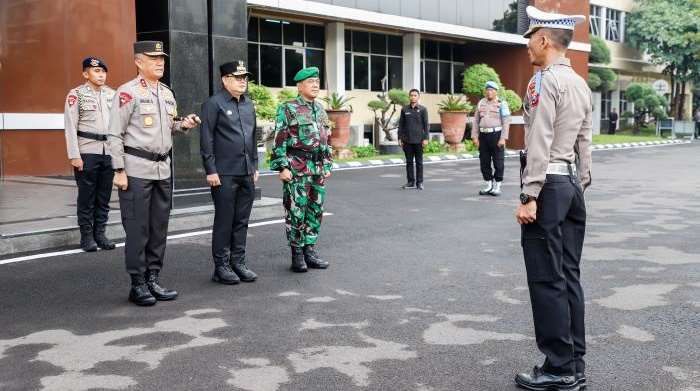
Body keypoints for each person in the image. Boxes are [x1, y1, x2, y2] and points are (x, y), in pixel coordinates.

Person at [514, 6, 592, 391]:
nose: (527, 44)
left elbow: (540, 137)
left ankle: (558, 369)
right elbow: (585, 139)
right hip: (572, 187)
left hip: (547, 186)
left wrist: (530, 194)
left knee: (547, 279)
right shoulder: (579, 83)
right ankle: (574, 363)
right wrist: (582, 180)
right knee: (569, 276)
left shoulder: (542, 82)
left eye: (531, 37)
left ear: (544, 40)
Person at [108, 41, 200, 306]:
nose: (160, 62)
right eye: (153, 58)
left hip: (162, 170)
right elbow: (114, 133)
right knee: (138, 229)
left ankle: (153, 278)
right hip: (136, 170)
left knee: (159, 228)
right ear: (138, 62)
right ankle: (137, 284)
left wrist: (184, 124)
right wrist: (119, 169)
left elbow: (168, 125)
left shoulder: (167, 93)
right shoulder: (128, 93)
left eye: (162, 58)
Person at [200, 60, 259, 285]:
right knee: (225, 220)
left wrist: (253, 165)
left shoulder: (248, 104)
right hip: (223, 173)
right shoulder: (213, 104)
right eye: (238, 77)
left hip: (245, 171)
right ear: (225, 80)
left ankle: (238, 262)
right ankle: (221, 266)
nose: (242, 81)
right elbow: (207, 138)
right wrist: (210, 169)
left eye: (245, 78)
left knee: (242, 220)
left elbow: (252, 138)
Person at [269, 66, 332, 273]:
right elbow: (279, 139)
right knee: (296, 211)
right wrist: (282, 166)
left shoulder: (320, 109)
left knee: (315, 210)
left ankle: (310, 250)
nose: (315, 85)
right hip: (296, 167)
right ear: (299, 86)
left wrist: (327, 164)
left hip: (317, 169)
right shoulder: (288, 108)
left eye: (317, 82)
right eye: (310, 82)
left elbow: (326, 139)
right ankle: (297, 254)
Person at [64, 57, 117, 252]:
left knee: (104, 196)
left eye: (103, 71)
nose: (101, 75)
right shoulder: (76, 95)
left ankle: (100, 234)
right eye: (96, 71)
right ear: (86, 74)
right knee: (87, 196)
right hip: (87, 151)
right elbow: (70, 126)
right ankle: (86, 236)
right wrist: (74, 155)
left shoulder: (113, 94)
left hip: (108, 151)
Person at [471, 81, 511, 196]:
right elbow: (476, 121)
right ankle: (489, 185)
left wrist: (503, 138)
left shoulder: (501, 103)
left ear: (496, 91)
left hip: (497, 135)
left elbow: (506, 122)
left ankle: (497, 186)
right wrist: (475, 136)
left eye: (491, 90)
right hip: (483, 136)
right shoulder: (481, 103)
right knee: (484, 161)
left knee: (498, 162)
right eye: (487, 90)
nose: (489, 92)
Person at [398, 89, 429, 190]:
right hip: (407, 141)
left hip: (419, 141)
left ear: (418, 97)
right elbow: (401, 125)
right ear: (409, 97)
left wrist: (426, 138)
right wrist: (400, 138)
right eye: (411, 95)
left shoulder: (423, 109)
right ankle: (410, 182)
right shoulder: (404, 109)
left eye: (415, 95)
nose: (413, 97)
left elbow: (426, 125)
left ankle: (419, 183)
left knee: (419, 162)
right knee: (409, 162)